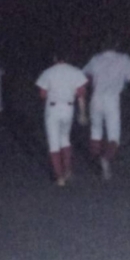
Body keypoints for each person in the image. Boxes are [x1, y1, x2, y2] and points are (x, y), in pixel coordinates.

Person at [83, 41, 130, 180]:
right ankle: (105, 159)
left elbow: (85, 75)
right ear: (116, 46)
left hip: (96, 98)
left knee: (96, 130)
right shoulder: (124, 59)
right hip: (112, 99)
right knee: (114, 135)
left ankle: (96, 157)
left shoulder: (96, 59)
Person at [35, 53, 89, 186]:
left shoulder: (48, 72)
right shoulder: (76, 71)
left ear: (55, 58)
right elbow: (81, 95)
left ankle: (59, 177)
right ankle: (67, 171)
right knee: (65, 138)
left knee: (53, 142)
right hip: (68, 108)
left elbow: (42, 94)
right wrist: (82, 113)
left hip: (53, 108)